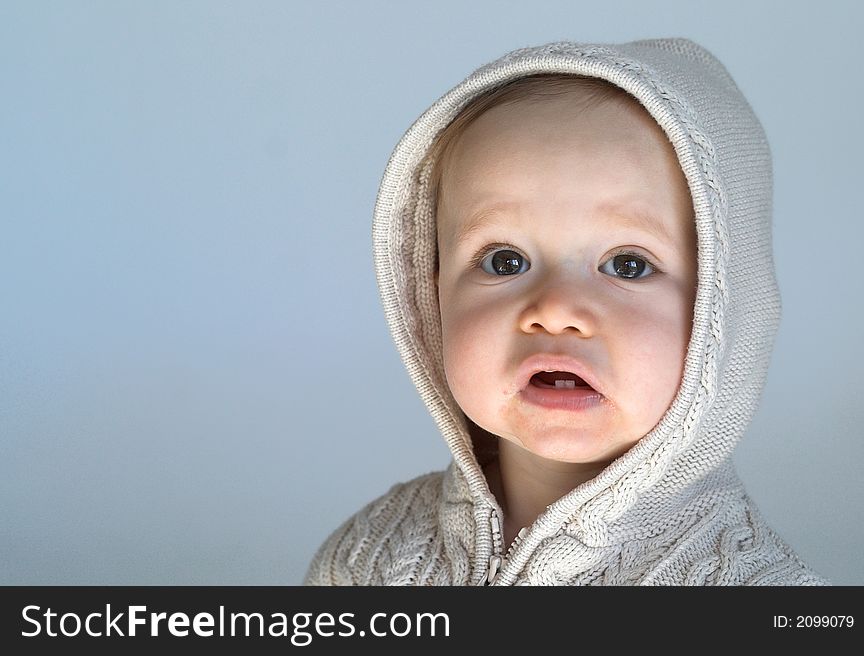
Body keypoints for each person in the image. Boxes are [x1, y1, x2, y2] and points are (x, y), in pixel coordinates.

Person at [304, 37, 829, 585]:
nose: (555, 311)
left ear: (723, 310)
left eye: (628, 265)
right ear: (430, 295)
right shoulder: (365, 558)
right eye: (505, 261)